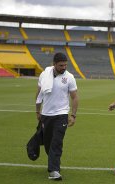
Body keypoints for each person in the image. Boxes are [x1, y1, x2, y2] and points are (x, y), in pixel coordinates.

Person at [35, 52, 78, 180]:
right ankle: (53, 161)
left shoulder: (69, 77)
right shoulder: (44, 75)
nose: (64, 67)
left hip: (62, 114)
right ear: (54, 64)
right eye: (61, 65)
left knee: (56, 142)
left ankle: (54, 170)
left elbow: (75, 97)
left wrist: (73, 115)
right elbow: (39, 94)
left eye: (65, 65)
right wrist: (38, 111)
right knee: (48, 143)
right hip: (46, 114)